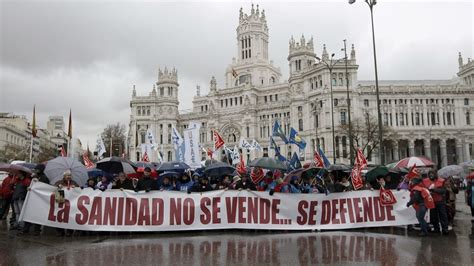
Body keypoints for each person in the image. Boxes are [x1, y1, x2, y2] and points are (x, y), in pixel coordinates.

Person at [22, 164, 49, 235]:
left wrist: (37, 182)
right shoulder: (33, 177)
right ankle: (25, 229)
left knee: (38, 215)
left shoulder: (44, 178)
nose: (36, 170)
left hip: (39, 200)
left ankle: (37, 230)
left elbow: (45, 188)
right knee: (28, 213)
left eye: (37, 169)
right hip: (32, 199)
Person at [423, 170, 449, 234]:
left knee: (443, 216)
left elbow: (443, 191)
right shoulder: (425, 181)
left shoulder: (441, 181)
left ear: (435, 174)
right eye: (430, 174)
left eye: (432, 173)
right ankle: (436, 228)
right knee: (433, 216)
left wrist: (434, 190)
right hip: (431, 202)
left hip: (440, 201)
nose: (431, 175)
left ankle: (445, 229)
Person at [54, 170, 77, 236]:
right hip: (61, 202)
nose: (68, 177)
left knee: (70, 217)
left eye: (69, 175)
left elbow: (79, 189)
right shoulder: (59, 182)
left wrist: (75, 188)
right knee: (59, 216)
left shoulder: (74, 183)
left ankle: (69, 231)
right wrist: (58, 186)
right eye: (67, 175)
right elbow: (54, 188)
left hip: (71, 203)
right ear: (64, 176)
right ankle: (60, 231)